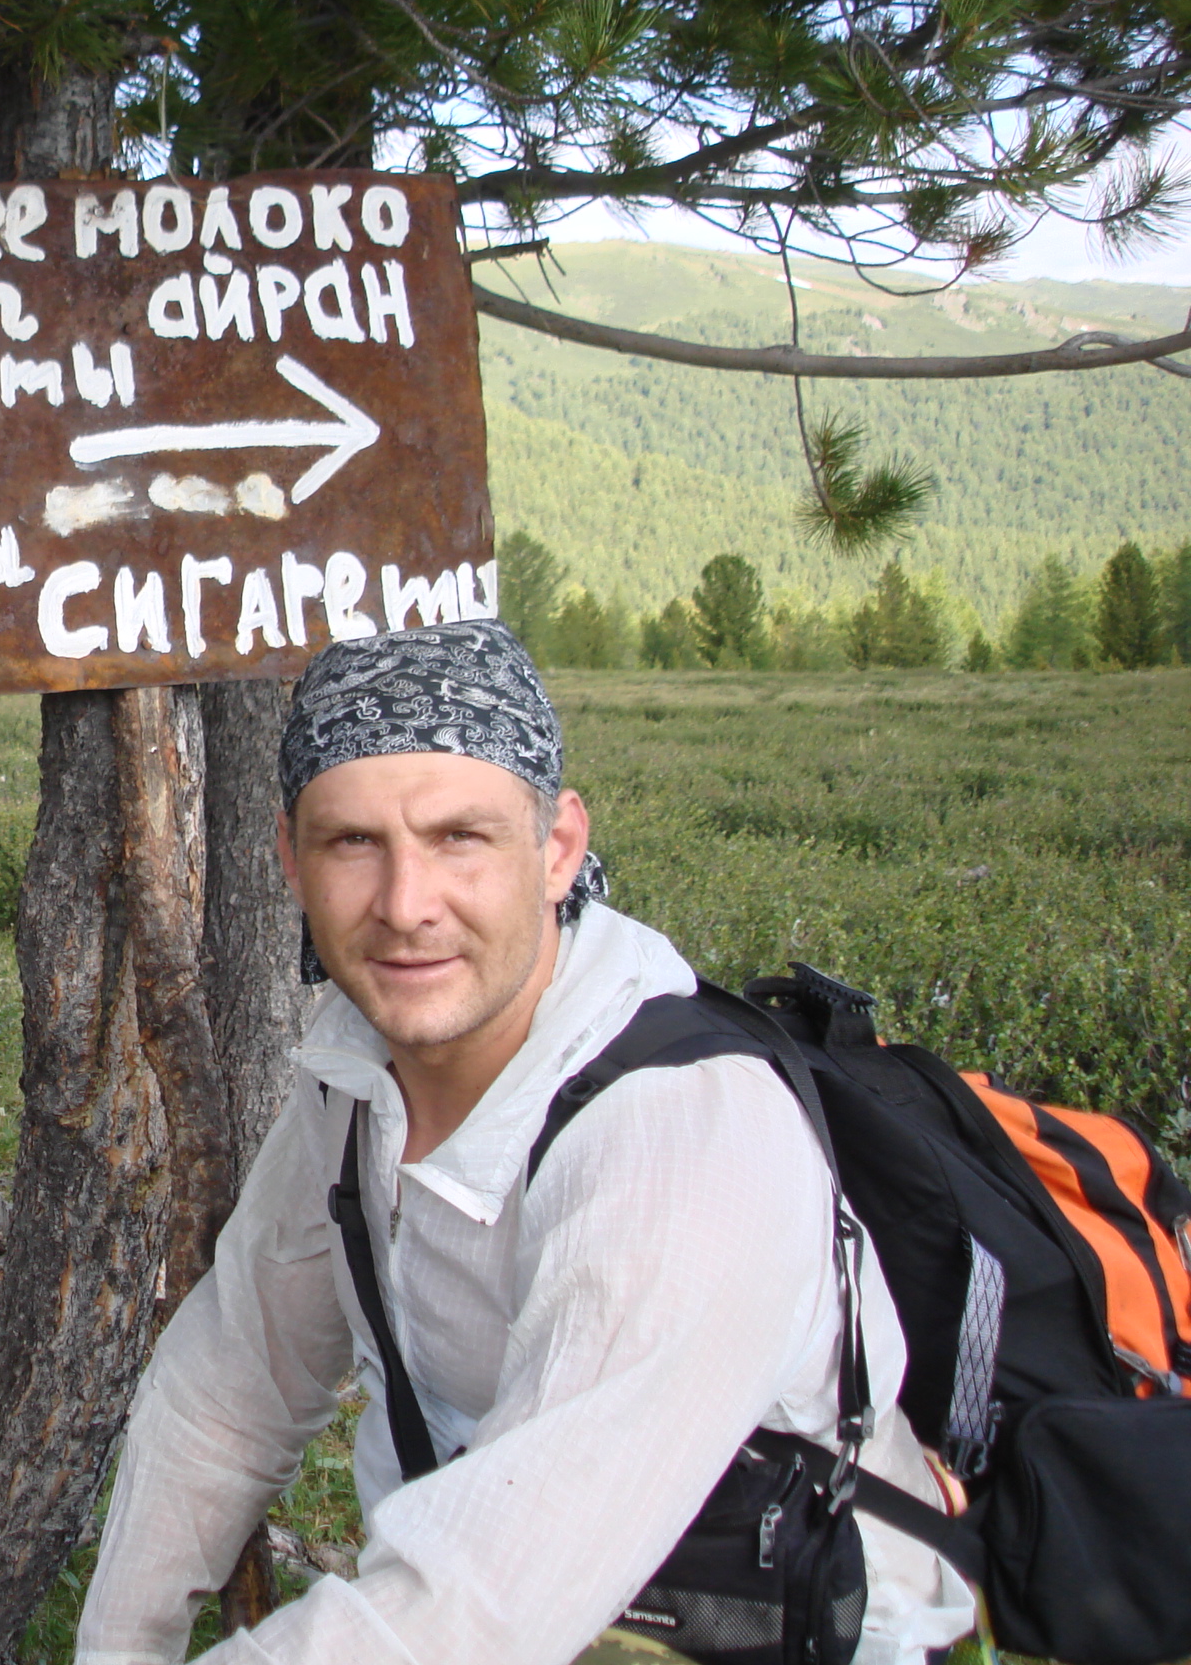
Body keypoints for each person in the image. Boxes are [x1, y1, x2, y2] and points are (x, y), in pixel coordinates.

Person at [73, 621, 976, 1665]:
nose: (406, 906)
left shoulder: (682, 1138)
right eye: (353, 842)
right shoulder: (356, 1077)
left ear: (558, 850)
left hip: (790, 1629)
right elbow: (230, 1386)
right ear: (290, 859)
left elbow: (475, 1609)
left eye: (461, 836)